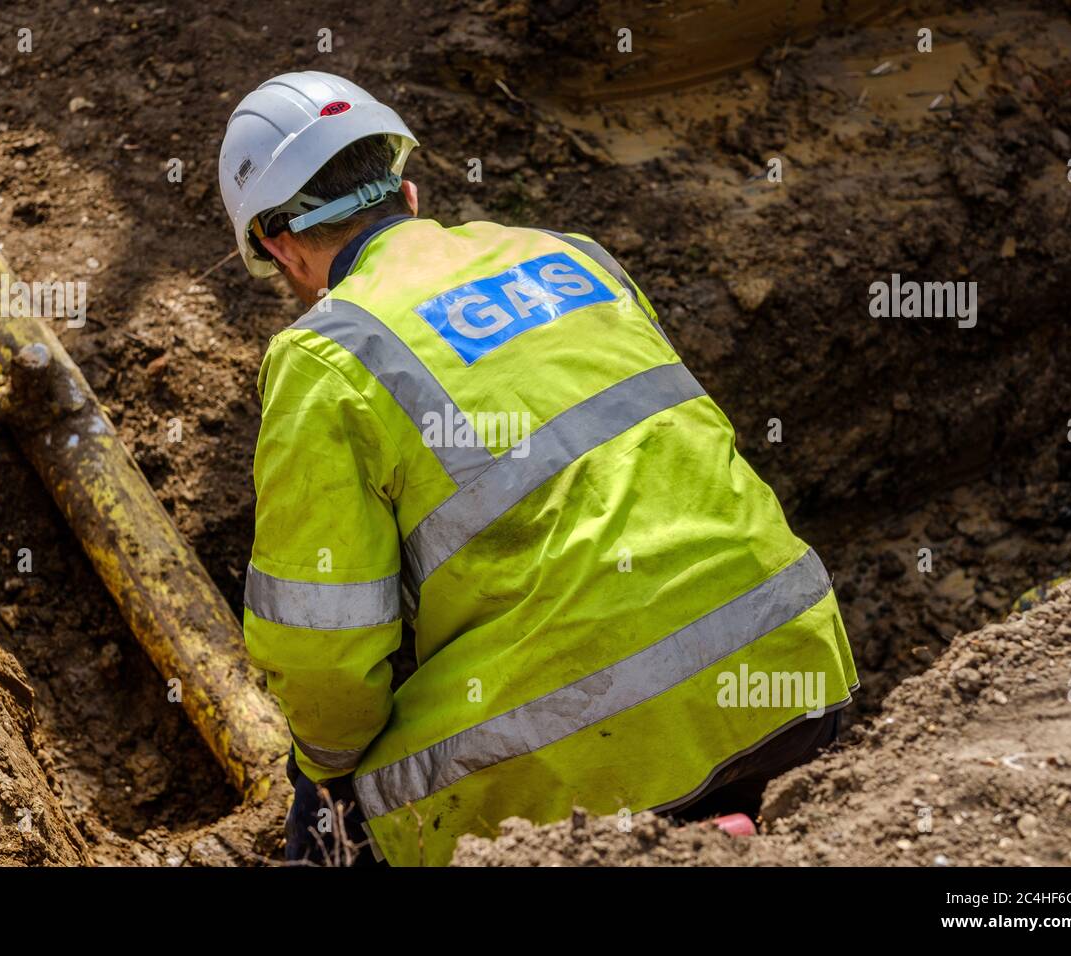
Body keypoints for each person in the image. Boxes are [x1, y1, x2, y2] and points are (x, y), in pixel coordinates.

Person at [218, 71, 859, 867]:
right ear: (408, 192)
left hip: (599, 752)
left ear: (281, 249)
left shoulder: (328, 355)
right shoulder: (572, 257)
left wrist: (327, 766)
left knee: (335, 809)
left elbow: (322, 648)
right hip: (794, 672)